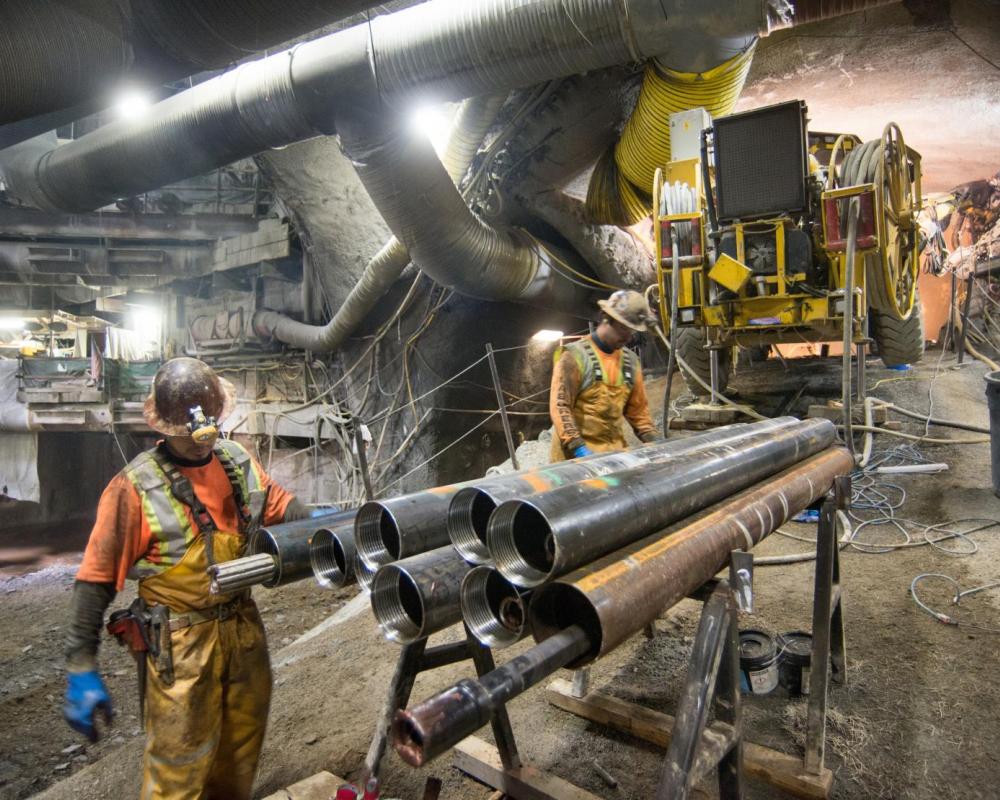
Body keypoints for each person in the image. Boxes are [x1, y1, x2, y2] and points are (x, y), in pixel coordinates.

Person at [63, 357, 315, 799]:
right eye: (189, 433)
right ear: (166, 427)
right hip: (181, 648)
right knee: (180, 763)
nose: (202, 441)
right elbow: (96, 580)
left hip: (242, 629)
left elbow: (279, 507)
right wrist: (81, 664)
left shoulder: (236, 460)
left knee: (239, 750)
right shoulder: (135, 488)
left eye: (210, 426)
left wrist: (326, 524)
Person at [550, 290, 660, 461]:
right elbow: (560, 406)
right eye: (623, 327)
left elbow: (638, 412)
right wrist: (578, 447)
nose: (627, 336)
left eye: (631, 330)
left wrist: (656, 442)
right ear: (605, 317)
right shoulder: (574, 356)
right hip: (574, 461)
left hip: (612, 457)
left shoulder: (630, 361)